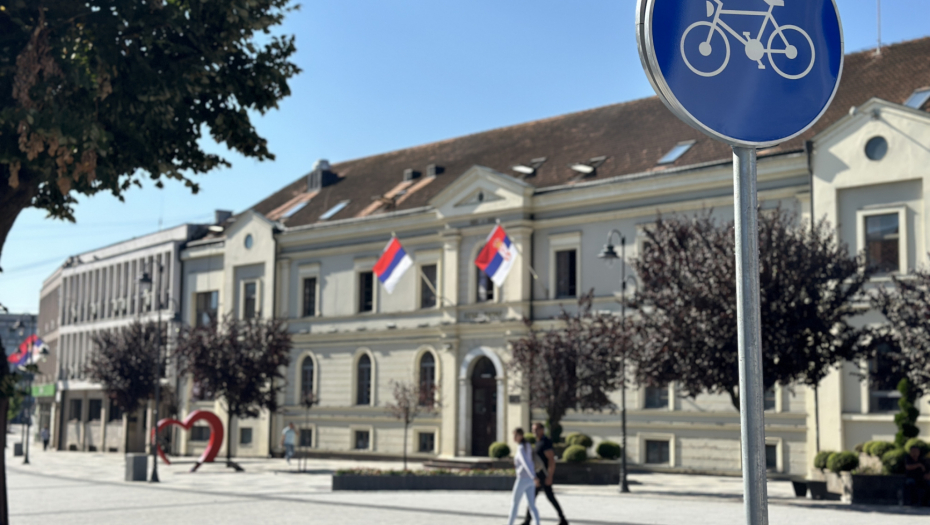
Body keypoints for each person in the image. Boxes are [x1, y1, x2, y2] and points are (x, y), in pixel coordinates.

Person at [522, 422, 568, 525]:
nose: (534, 432)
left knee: (547, 497)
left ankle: (562, 519)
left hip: (544, 475)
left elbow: (551, 460)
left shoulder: (545, 442)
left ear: (542, 430)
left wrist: (549, 476)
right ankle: (562, 519)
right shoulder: (538, 442)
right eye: (533, 430)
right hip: (538, 474)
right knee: (536, 497)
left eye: (536, 429)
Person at [507, 428, 541, 525]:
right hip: (530, 480)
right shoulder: (528, 445)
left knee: (515, 503)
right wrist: (533, 476)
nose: (514, 438)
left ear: (521, 436)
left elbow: (526, 463)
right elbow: (530, 462)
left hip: (522, 479)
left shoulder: (521, 447)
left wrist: (533, 476)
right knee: (532, 505)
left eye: (515, 435)